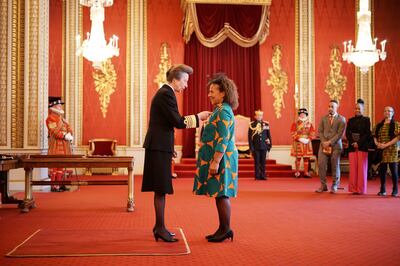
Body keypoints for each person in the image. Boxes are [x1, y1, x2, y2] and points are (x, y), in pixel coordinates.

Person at [142, 64, 211, 242]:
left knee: (161, 188)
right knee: (161, 188)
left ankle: (159, 227)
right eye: (185, 81)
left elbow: (166, 124)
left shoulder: (166, 93)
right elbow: (178, 122)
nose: (186, 85)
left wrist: (170, 148)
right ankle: (160, 228)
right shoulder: (166, 93)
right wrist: (199, 117)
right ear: (175, 80)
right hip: (158, 146)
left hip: (160, 146)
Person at [193, 73, 239, 243]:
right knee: (219, 194)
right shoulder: (218, 110)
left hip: (223, 158)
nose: (209, 94)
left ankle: (226, 229)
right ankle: (222, 228)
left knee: (222, 194)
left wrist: (216, 161)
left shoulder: (224, 111)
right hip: (220, 157)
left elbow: (224, 138)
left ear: (223, 93)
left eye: (213, 91)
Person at [315, 99, 346, 193]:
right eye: (329, 106)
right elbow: (320, 131)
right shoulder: (323, 118)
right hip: (323, 145)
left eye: (332, 106)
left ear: (337, 107)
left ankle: (335, 185)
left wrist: (330, 142)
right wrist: (324, 142)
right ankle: (323, 185)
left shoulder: (341, 119)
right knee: (321, 164)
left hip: (336, 146)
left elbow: (340, 134)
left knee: (335, 165)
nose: (330, 108)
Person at [46, 96, 73, 192]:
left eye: (60, 105)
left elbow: (70, 130)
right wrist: (65, 136)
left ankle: (61, 184)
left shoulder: (62, 118)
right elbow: (54, 132)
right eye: (58, 105)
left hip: (64, 146)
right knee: (55, 167)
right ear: (53, 107)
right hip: (56, 146)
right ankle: (54, 186)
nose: (60, 107)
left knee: (62, 166)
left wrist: (68, 126)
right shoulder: (50, 118)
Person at [346, 99, 372, 195]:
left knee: (362, 169)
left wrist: (359, 143)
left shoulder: (366, 120)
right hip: (352, 147)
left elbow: (367, 134)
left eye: (359, 109)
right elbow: (347, 133)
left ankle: (360, 189)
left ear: (363, 109)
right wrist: (353, 142)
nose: (357, 110)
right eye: (356, 108)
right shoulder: (350, 120)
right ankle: (353, 189)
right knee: (353, 169)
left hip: (362, 147)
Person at [373, 106, 400, 197]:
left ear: (393, 113)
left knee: (394, 171)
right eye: (385, 111)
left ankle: (395, 189)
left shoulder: (396, 124)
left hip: (392, 151)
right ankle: (383, 189)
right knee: (382, 171)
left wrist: (386, 145)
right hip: (382, 151)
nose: (387, 112)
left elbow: (398, 137)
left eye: (389, 111)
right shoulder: (379, 125)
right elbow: (374, 136)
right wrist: (377, 144)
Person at [290, 108, 315, 178]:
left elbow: (312, 132)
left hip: (307, 142)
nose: (302, 115)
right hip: (298, 142)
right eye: (301, 114)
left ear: (306, 114)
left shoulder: (309, 124)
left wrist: (308, 139)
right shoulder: (295, 123)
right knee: (298, 158)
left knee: (306, 158)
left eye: (304, 114)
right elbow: (292, 133)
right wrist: (299, 138)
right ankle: (297, 172)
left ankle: (306, 172)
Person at [248, 110, 272, 180]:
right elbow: (250, 138)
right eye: (258, 115)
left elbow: (268, 136)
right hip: (256, 146)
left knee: (263, 162)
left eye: (260, 115)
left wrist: (269, 145)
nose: (259, 117)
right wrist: (251, 147)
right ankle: (257, 176)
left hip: (263, 146)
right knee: (257, 162)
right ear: (255, 116)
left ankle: (263, 175)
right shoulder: (252, 125)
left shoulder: (266, 124)